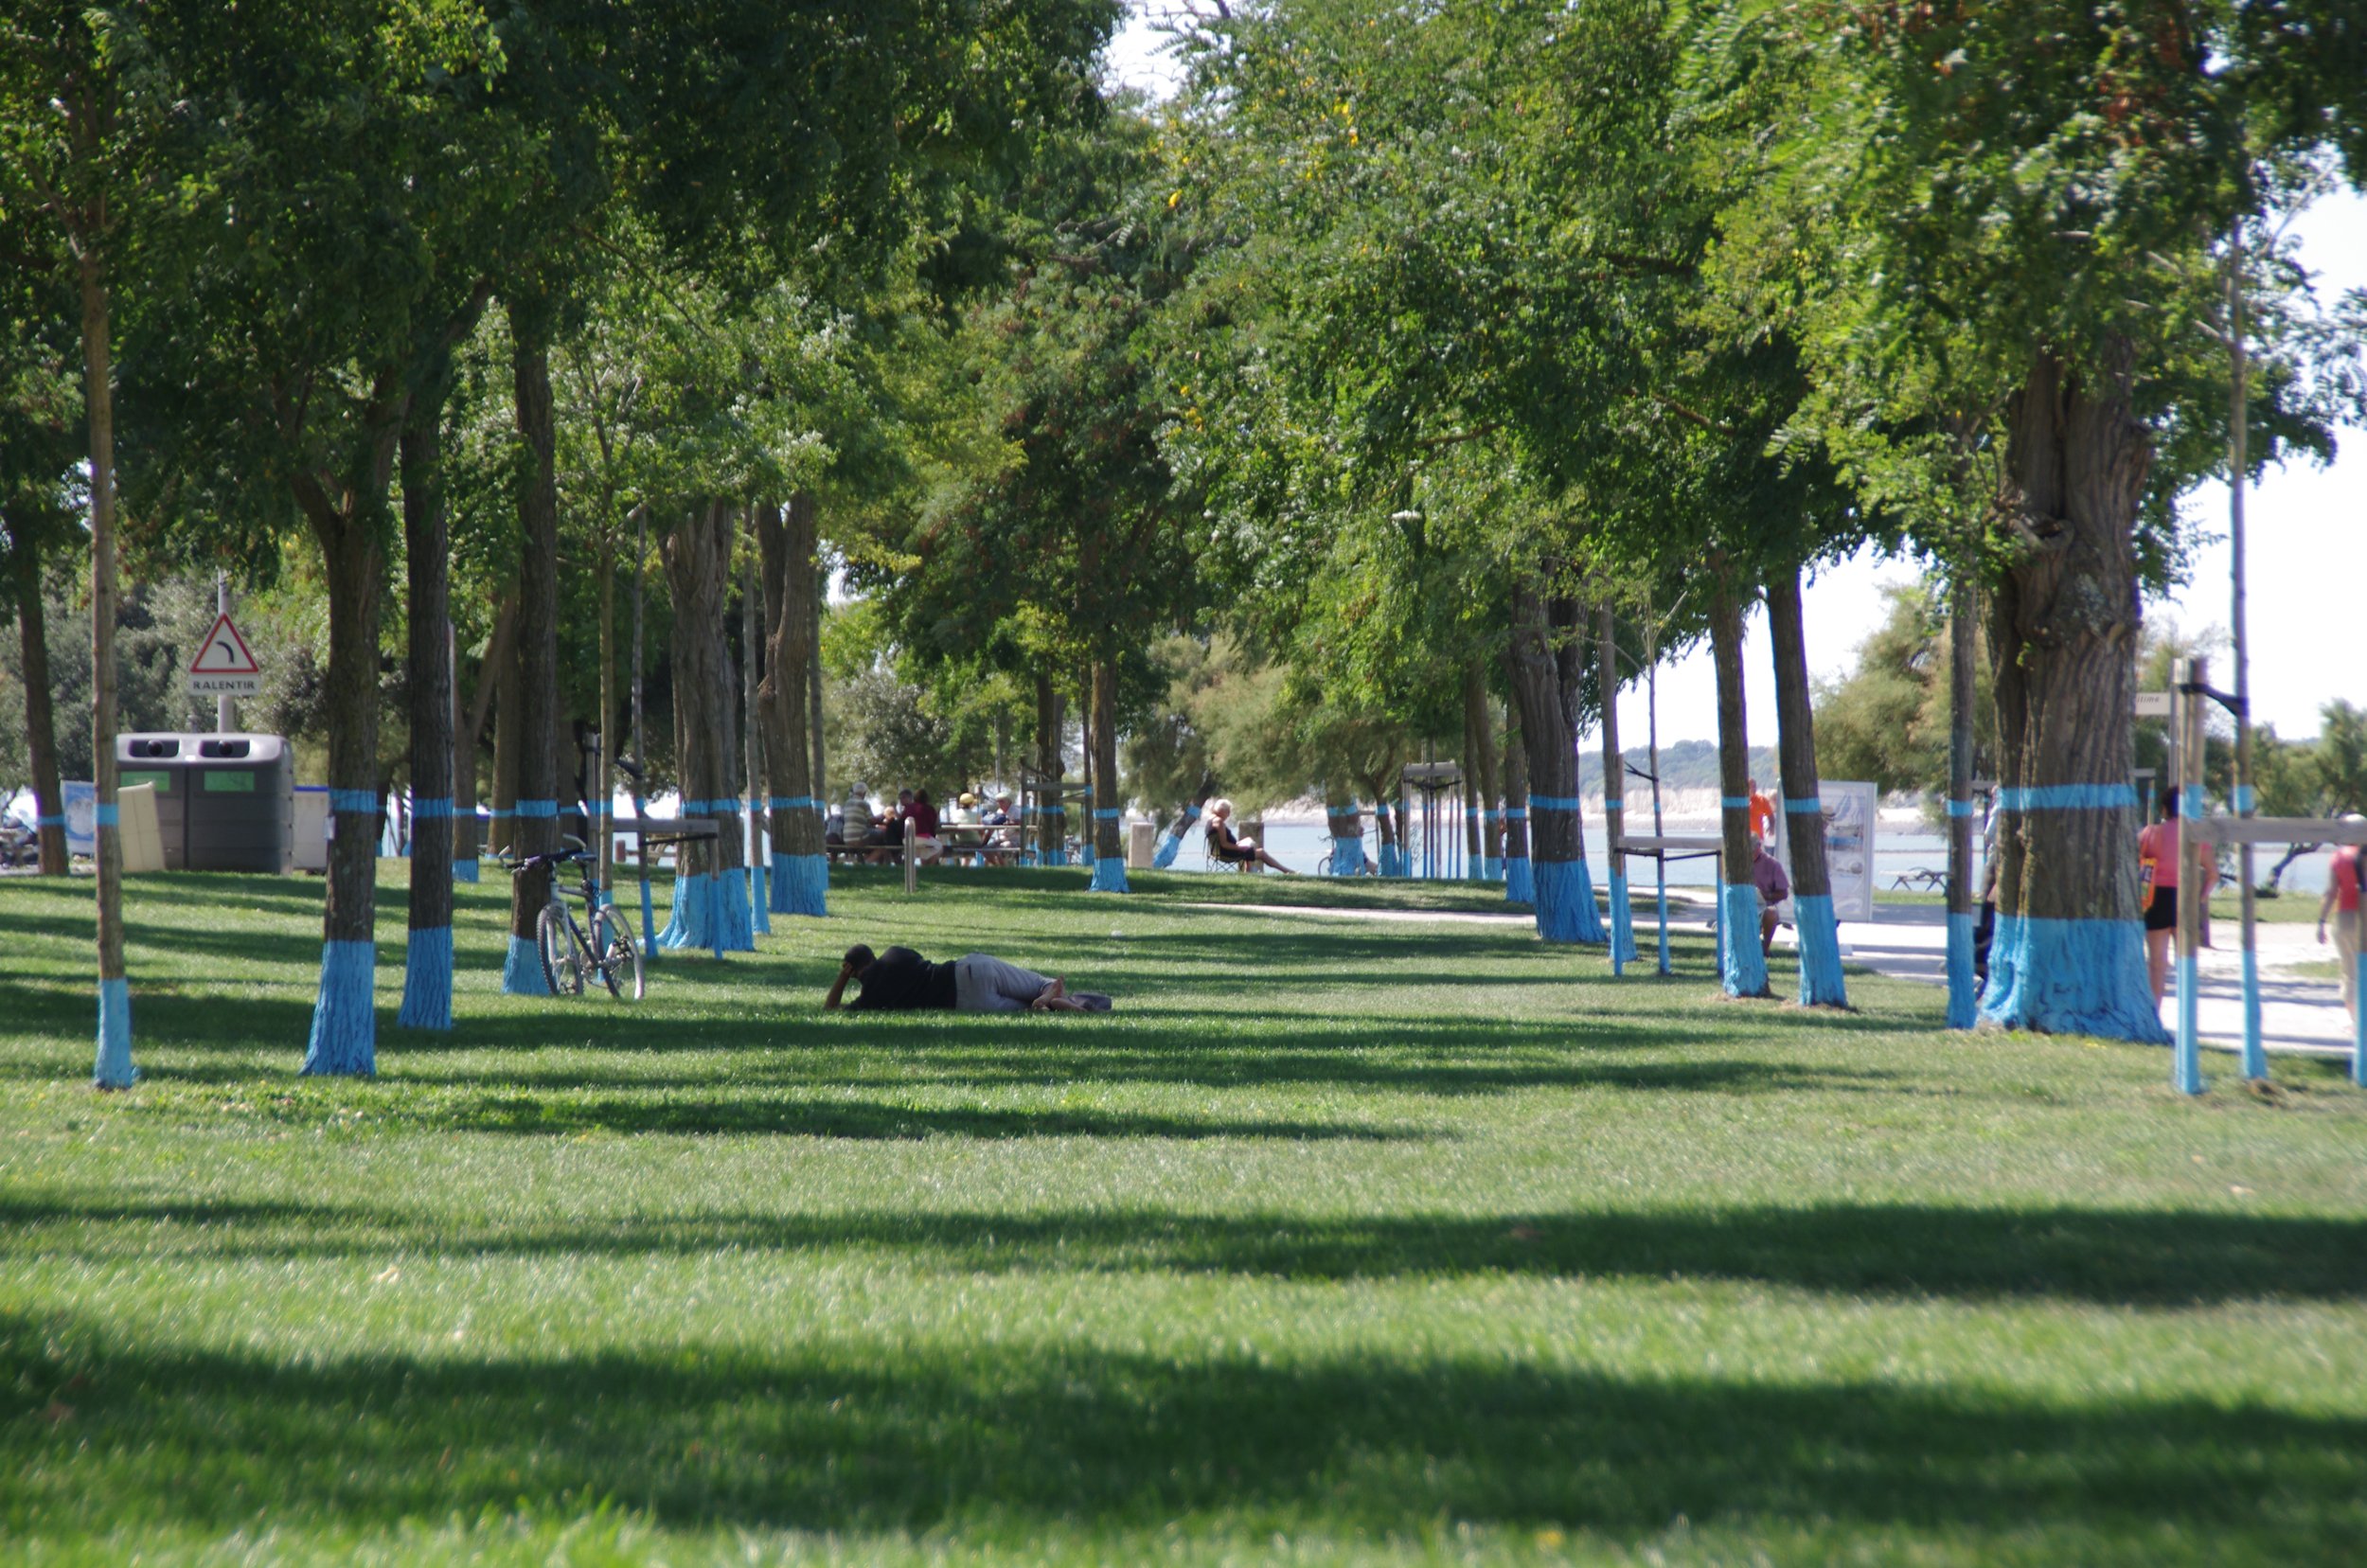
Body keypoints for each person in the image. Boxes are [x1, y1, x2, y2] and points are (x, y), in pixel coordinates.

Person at [824, 943, 1110, 1012]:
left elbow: (831, 1009)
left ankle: (1048, 1004)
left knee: (1028, 1010)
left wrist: (841, 978)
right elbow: (922, 962)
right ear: (872, 957)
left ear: (852, 970)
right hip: (968, 970)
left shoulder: (871, 998)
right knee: (1040, 984)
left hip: (966, 1001)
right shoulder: (895, 954)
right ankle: (1052, 995)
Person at [2138, 793, 2217, 1005]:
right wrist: (2200, 899)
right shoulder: (2196, 835)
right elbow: (2212, 874)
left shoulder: (2151, 832)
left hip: (2156, 899)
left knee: (2157, 963)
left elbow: (2137, 862)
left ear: (2164, 810)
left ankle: (2155, 1013)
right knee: (2187, 961)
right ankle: (2188, 1015)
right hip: (2186, 899)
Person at [2316, 816, 2366, 1026]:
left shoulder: (2338, 857)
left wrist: (2321, 921)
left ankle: (2356, 1022)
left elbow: (2330, 892)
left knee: (2350, 971)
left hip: (2345, 918)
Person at [1204, 797, 1295, 873]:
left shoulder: (1211, 819)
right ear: (1223, 811)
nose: (1228, 815)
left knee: (1249, 841)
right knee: (1261, 853)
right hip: (1227, 853)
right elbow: (1224, 844)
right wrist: (1240, 848)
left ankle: (1249, 869)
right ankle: (1287, 871)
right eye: (1228, 812)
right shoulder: (1218, 822)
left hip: (1220, 851)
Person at [1750, 841, 1790, 957]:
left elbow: (1784, 893)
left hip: (1764, 904)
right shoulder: (1739, 862)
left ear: (1759, 846)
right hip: (1742, 903)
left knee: (1772, 913)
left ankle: (1764, 948)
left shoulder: (1772, 864)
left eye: (1753, 848)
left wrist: (1767, 895)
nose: (1750, 852)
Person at [1747, 776, 1775, 847]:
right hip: (1744, 839)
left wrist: (1771, 828)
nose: (1754, 789)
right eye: (1751, 787)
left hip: (1758, 839)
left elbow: (1771, 816)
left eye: (1755, 786)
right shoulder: (1741, 801)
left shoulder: (1761, 800)